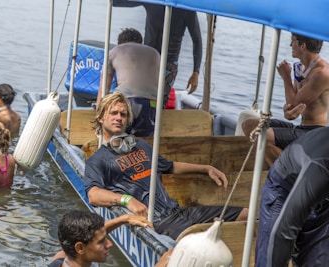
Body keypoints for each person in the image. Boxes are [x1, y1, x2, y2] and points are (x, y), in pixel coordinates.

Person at [85, 92, 248, 240]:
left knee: (246, 214)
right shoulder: (98, 159)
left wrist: (206, 168)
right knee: (192, 240)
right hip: (159, 223)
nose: (119, 118)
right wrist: (127, 200)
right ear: (100, 117)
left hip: (179, 211)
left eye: (123, 114)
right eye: (113, 113)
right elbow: (93, 194)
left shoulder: (141, 145)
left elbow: (170, 166)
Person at [242, 33, 329, 166]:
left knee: (261, 135)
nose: (290, 45)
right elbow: (291, 108)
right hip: (300, 127)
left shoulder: (322, 74)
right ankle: (285, 169)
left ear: (303, 46)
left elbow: (294, 104)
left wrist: (286, 77)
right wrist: (288, 110)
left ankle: (286, 175)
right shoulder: (301, 68)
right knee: (249, 125)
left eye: (293, 41)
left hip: (314, 133)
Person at [255, 126, 329, 267]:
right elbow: (285, 229)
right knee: (271, 257)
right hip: (284, 187)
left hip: (323, 197)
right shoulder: (321, 166)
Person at [112, 1, 203, 106]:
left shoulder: (186, 8)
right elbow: (117, 2)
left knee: (158, 103)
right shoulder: (153, 1)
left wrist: (196, 72)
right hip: (145, 61)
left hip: (168, 65)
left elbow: (197, 40)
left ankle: (154, 120)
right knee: (138, 98)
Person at [97, 28, 160, 137]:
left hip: (127, 102)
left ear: (120, 43)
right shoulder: (155, 53)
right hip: (152, 106)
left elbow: (104, 89)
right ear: (141, 42)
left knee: (114, 140)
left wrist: (99, 116)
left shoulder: (115, 51)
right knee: (141, 144)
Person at [49, 210, 153, 267]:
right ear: (80, 248)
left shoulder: (60, 261)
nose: (109, 244)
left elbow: (92, 234)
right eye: (102, 241)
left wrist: (123, 219)